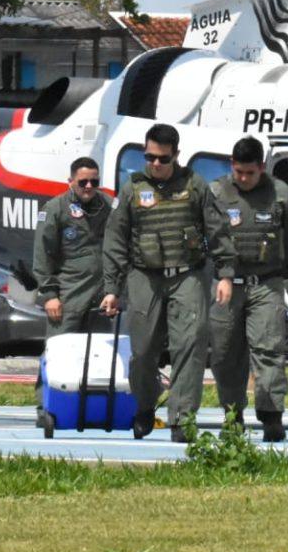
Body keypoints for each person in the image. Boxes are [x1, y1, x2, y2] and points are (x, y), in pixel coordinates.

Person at [100, 123, 235, 442]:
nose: (155, 164)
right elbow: (115, 239)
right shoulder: (132, 188)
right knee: (143, 351)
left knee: (190, 347)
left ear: (176, 154)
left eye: (162, 158)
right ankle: (145, 405)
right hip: (144, 278)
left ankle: (182, 419)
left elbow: (217, 230)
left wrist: (226, 274)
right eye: (149, 157)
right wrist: (111, 288)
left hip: (187, 276)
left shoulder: (195, 185)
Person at [208, 136, 288, 442]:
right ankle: (233, 416)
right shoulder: (216, 193)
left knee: (268, 349)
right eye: (238, 172)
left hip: (266, 285)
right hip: (226, 285)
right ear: (232, 166)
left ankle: (272, 416)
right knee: (225, 353)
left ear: (261, 168)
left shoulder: (281, 195)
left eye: (250, 173)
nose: (243, 179)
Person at [32, 156, 111, 335]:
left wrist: (115, 291)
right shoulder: (55, 209)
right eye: (83, 182)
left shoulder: (108, 206)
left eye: (94, 181)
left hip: (100, 297)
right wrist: (50, 296)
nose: (89, 186)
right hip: (69, 295)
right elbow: (42, 255)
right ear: (71, 182)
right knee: (62, 353)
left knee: (99, 354)